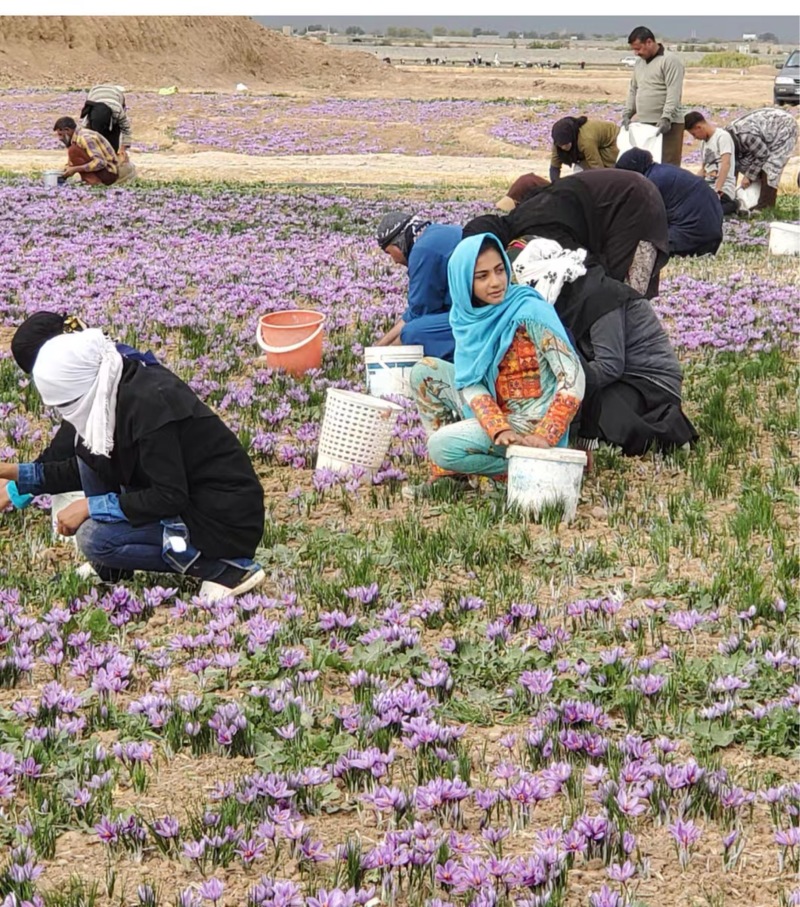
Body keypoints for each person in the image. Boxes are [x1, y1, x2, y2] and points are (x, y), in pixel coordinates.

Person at [0, 326, 266, 600]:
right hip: (189, 500)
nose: (65, 414)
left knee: (95, 539)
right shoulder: (109, 390)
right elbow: (79, 469)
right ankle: (112, 569)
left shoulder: (148, 405)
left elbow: (169, 496)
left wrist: (91, 507)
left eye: (65, 404)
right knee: (88, 456)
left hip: (221, 517)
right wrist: (11, 472)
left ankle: (226, 570)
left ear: (79, 388)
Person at [408, 234, 585, 485]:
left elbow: (573, 376)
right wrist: (497, 426)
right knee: (423, 373)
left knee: (440, 447)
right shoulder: (467, 319)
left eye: (500, 270)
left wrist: (546, 434)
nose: (496, 282)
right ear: (462, 282)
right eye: (482, 276)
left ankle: (519, 471)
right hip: (500, 419)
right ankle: (452, 476)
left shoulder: (529, 311)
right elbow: (470, 380)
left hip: (532, 425)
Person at [509, 238, 697, 456]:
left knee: (590, 411)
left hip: (650, 382)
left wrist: (566, 386)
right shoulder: (574, 298)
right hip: (623, 379)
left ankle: (667, 434)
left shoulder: (598, 297)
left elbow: (610, 366)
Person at [473, 168, 669, 298]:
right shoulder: (524, 217)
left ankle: (637, 349)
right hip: (626, 195)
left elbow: (580, 265)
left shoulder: (535, 229)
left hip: (635, 204)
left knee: (622, 293)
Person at [375, 212, 462, 361]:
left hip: (476, 316)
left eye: (389, 252)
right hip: (477, 303)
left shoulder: (422, 252)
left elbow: (418, 315)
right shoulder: (433, 232)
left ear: (399, 242)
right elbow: (418, 309)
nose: (394, 261)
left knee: (412, 333)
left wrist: (385, 358)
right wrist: (380, 347)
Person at [616, 148, 723, 257]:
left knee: (643, 245)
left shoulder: (650, 182)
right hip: (712, 234)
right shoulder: (663, 171)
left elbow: (643, 221)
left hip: (693, 236)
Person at [622, 26, 685, 166]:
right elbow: (633, 89)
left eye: (638, 49)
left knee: (667, 166)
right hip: (644, 124)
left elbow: (674, 91)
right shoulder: (639, 63)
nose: (636, 53)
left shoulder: (670, 61)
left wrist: (666, 117)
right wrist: (627, 113)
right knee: (646, 166)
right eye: (634, 49)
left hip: (667, 124)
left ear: (649, 42)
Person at [726, 107, 799, 210]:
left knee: (771, 168)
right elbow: (731, 167)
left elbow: (763, 154)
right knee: (745, 164)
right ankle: (754, 201)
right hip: (765, 134)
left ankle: (765, 207)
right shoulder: (726, 139)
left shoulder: (745, 136)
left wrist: (748, 176)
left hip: (783, 129)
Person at [684, 111, 738, 216]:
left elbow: (726, 164)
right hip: (708, 188)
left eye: (694, 134)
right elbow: (703, 169)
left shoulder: (722, 137)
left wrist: (717, 190)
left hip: (723, 189)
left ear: (699, 127)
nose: (695, 138)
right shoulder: (703, 143)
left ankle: (734, 205)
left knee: (706, 213)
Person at [549, 117, 619, 182]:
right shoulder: (558, 144)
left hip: (612, 141)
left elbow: (597, 167)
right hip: (595, 144)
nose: (563, 148)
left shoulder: (586, 140)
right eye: (561, 145)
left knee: (607, 174)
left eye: (566, 144)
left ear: (572, 138)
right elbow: (554, 167)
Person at [53, 116, 119, 187]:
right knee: (73, 150)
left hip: (109, 173)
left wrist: (75, 169)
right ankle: (90, 180)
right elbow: (71, 163)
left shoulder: (85, 138)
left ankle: (93, 182)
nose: (59, 138)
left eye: (60, 134)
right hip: (103, 172)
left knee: (73, 151)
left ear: (67, 130)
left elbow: (100, 162)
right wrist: (66, 170)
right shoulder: (75, 139)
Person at [80, 85, 132, 154]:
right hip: (95, 93)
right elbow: (83, 133)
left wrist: (123, 148)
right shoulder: (90, 112)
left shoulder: (117, 111)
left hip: (115, 94)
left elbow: (126, 129)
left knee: (113, 147)